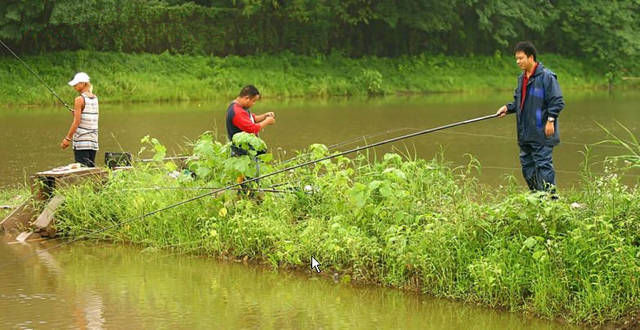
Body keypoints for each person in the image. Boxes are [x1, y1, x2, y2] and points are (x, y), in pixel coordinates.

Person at [496, 41, 565, 193]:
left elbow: (557, 101)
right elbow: (519, 102)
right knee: (527, 167)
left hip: (542, 132)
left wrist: (551, 120)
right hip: (525, 133)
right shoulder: (522, 78)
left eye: (521, 58)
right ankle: (538, 198)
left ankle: (551, 202)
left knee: (543, 166)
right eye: (516, 58)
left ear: (531, 57)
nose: (518, 61)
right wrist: (507, 108)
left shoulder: (546, 77)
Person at [60, 72, 99, 167]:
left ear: (83, 83)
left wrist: (67, 139)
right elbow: (93, 118)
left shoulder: (79, 99)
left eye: (75, 84)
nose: (74, 86)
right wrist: (77, 113)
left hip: (81, 143)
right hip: (93, 142)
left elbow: (76, 122)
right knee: (90, 171)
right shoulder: (95, 98)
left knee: (82, 172)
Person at [225, 85, 275, 156]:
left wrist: (265, 116)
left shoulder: (240, 107)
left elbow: (252, 118)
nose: (253, 104)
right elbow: (252, 129)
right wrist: (267, 121)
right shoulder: (238, 112)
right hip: (242, 152)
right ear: (247, 98)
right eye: (253, 101)